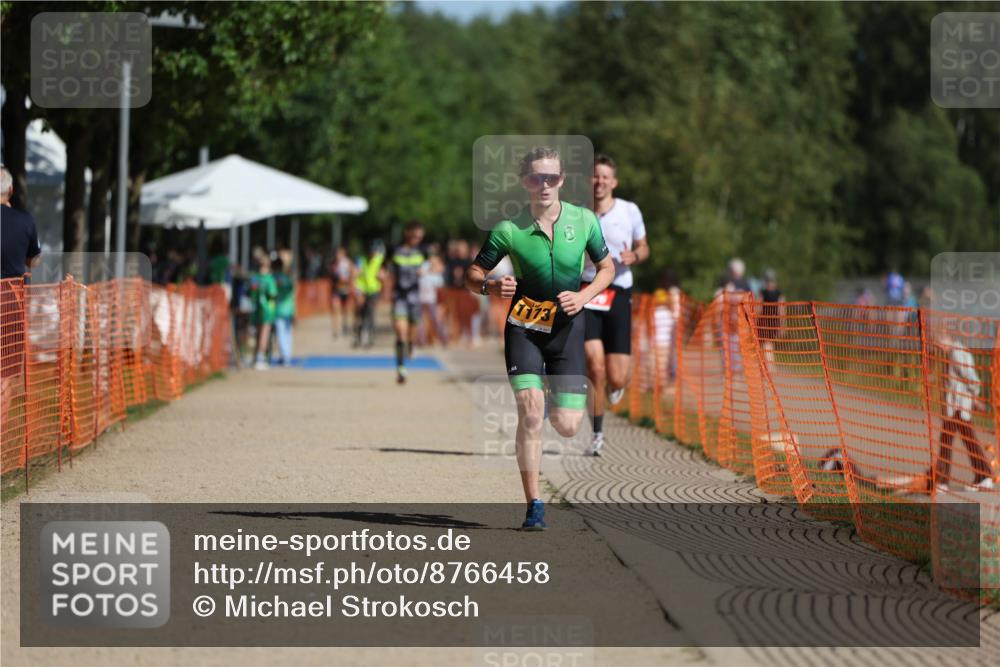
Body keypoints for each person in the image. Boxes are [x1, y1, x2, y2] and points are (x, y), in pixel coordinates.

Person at [465, 147, 614, 530]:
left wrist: (583, 296)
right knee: (530, 413)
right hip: (524, 328)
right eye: (535, 177)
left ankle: (549, 398)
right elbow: (472, 274)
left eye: (551, 177)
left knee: (566, 425)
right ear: (524, 181)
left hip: (566, 330)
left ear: (562, 180)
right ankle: (534, 504)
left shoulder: (583, 221)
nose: (543, 184)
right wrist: (490, 287)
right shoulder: (508, 229)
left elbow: (606, 268)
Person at [582, 154, 649, 456]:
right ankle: (597, 433)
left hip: (619, 292)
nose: (599, 181)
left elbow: (644, 246)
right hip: (586, 290)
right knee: (594, 365)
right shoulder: (578, 213)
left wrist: (636, 255)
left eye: (605, 176)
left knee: (617, 376)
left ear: (614, 181)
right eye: (595, 176)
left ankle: (615, 385)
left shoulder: (629, 210)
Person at [925, 330, 994, 492]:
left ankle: (981, 476)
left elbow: (972, 379)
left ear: (945, 339)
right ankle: (980, 477)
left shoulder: (956, 354)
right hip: (956, 407)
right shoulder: (955, 353)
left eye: (938, 343)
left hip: (958, 407)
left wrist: (975, 397)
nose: (938, 347)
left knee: (954, 442)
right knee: (953, 442)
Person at [1, 166, 41, 422]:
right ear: (11, 190)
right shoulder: (25, 221)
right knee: (5, 372)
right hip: (10, 300)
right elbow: (34, 260)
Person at [389, 221, 427, 384]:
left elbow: (439, 265)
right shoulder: (395, 251)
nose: (416, 239)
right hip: (399, 297)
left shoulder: (423, 251)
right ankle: (401, 369)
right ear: (407, 233)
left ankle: (411, 345)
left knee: (411, 334)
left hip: (415, 298)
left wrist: (427, 269)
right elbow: (386, 268)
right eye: (414, 236)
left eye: (419, 237)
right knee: (400, 332)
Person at [354, 241, 385, 349]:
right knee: (360, 314)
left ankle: (370, 337)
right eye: (372, 252)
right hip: (362, 289)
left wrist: (382, 276)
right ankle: (358, 336)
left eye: (375, 252)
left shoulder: (379, 260)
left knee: (371, 313)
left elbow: (384, 274)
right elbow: (356, 273)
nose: (373, 254)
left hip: (374, 290)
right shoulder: (361, 260)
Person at [251, 254, 278, 370]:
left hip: (256, 309)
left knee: (258, 334)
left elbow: (251, 292)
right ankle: (260, 358)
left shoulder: (255, 278)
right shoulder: (269, 279)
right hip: (267, 311)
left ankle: (255, 357)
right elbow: (273, 294)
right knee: (264, 335)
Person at [418, 251, 448, 347]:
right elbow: (418, 273)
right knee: (420, 321)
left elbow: (439, 286)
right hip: (421, 298)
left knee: (436, 319)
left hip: (432, 299)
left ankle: (442, 338)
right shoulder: (423, 266)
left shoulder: (437, 274)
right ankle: (421, 340)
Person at [272, 256, 296, 367]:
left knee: (281, 334)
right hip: (289, 309)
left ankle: (285, 357)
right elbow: (292, 291)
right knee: (287, 334)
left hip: (279, 310)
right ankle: (286, 356)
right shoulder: (286, 278)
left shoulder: (274, 278)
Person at [758, 269, 784, 366]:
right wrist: (782, 324)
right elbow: (782, 309)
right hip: (774, 321)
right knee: (767, 343)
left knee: (765, 343)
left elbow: (758, 306)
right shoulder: (778, 293)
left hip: (764, 321)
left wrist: (754, 319)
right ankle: (768, 365)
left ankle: (768, 365)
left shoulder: (763, 292)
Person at [329, 247, 355, 339]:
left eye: (340, 254)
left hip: (346, 290)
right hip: (336, 290)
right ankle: (335, 330)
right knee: (336, 309)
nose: (338, 256)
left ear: (344, 254)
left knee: (346, 310)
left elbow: (353, 274)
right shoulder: (333, 264)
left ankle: (345, 325)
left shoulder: (348, 263)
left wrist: (349, 282)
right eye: (337, 254)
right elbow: (331, 277)